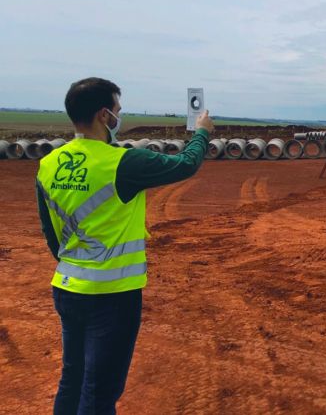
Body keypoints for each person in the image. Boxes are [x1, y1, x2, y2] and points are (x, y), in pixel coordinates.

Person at [36, 77, 214, 414]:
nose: (120, 117)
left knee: (72, 379)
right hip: (113, 296)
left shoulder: (48, 164)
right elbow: (186, 164)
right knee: (100, 391)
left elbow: (50, 232)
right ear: (104, 115)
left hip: (67, 288)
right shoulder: (123, 163)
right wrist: (202, 132)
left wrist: (75, 267)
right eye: (118, 110)